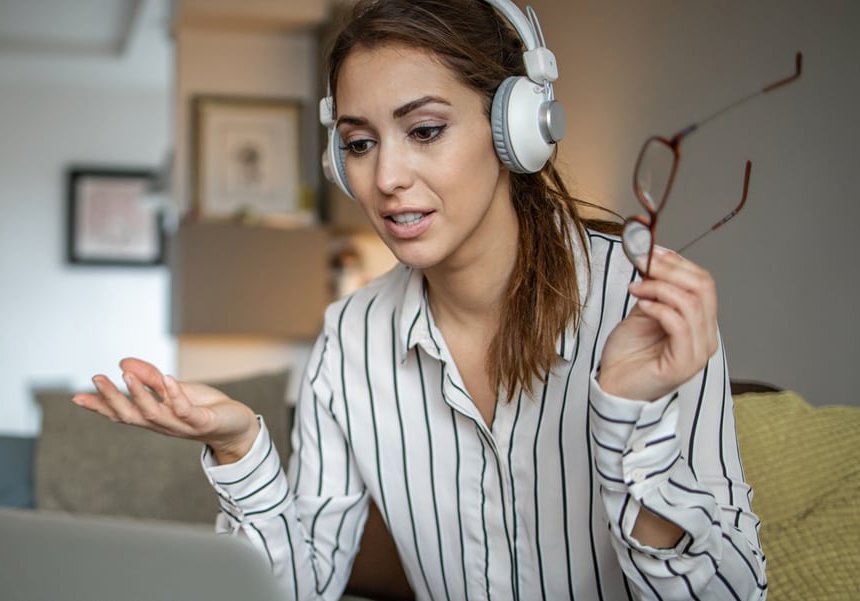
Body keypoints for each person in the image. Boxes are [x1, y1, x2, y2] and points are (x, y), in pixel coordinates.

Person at [72, 0, 766, 599]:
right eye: (360, 143)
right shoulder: (352, 336)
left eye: (425, 130)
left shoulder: (644, 305)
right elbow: (302, 586)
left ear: (516, 128)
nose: (387, 177)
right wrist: (240, 445)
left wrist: (629, 423)